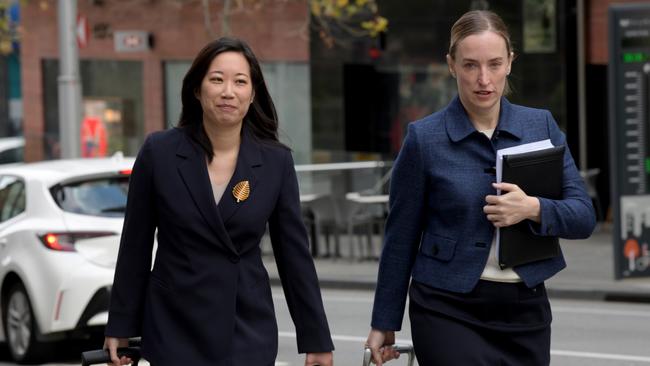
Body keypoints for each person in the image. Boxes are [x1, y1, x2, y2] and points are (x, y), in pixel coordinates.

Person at [365, 10, 596, 365]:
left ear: (510, 63)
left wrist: (533, 208)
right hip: (446, 307)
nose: (483, 79)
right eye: (470, 65)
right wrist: (384, 321)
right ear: (452, 65)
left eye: (494, 64)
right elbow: (401, 236)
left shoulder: (541, 126)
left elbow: (583, 216)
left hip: (525, 310)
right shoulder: (424, 139)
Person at [103, 37, 335, 366]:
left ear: (252, 94)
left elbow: (294, 257)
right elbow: (135, 246)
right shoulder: (160, 152)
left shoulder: (274, 162)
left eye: (240, 82)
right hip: (174, 326)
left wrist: (317, 340)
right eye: (217, 79)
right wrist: (121, 325)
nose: (228, 91)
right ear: (197, 89)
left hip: (246, 328)